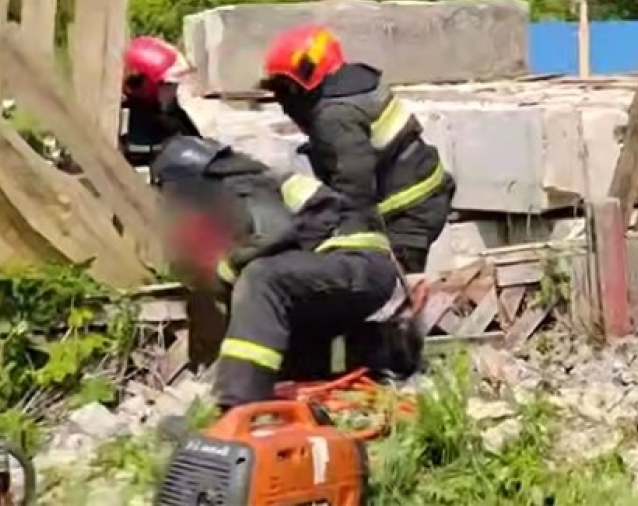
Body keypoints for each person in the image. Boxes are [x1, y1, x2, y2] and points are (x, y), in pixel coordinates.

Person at [151, 136, 420, 413]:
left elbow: (276, 233)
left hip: (356, 263)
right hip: (351, 267)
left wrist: (227, 272)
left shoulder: (241, 185)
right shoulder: (248, 183)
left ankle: (238, 402)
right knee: (276, 291)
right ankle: (295, 395)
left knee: (261, 278)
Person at [259, 25, 454, 274]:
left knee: (385, 288)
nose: (284, 101)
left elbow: (355, 184)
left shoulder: (334, 117)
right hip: (425, 191)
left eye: (285, 88)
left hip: (408, 210)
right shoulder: (359, 85)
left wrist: (349, 243)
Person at [119, 36, 202, 167]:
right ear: (142, 84)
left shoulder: (173, 114)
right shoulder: (144, 118)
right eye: (168, 85)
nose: (174, 90)